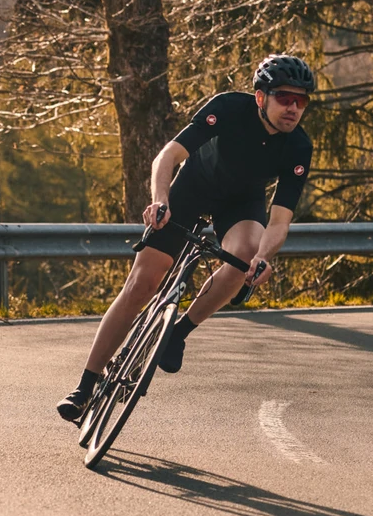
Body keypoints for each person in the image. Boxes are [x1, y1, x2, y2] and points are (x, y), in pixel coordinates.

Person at [57, 54, 316, 423]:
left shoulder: (298, 148)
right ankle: (85, 385)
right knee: (141, 285)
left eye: (302, 101)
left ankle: (177, 333)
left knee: (244, 256)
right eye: (285, 98)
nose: (293, 108)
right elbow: (168, 155)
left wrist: (263, 256)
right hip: (192, 189)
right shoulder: (227, 107)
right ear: (261, 97)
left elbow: (280, 220)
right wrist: (160, 199)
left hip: (242, 203)